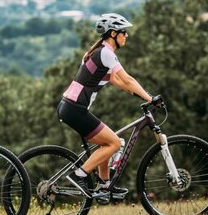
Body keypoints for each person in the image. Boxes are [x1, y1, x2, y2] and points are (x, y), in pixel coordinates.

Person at [58, 13, 152, 199]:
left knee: (107, 142)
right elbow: (128, 79)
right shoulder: (106, 53)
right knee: (114, 143)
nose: (126, 35)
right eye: (123, 32)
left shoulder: (98, 52)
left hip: (70, 107)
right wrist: (150, 98)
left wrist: (138, 94)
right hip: (75, 109)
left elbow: (118, 81)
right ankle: (79, 175)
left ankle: (104, 185)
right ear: (113, 34)